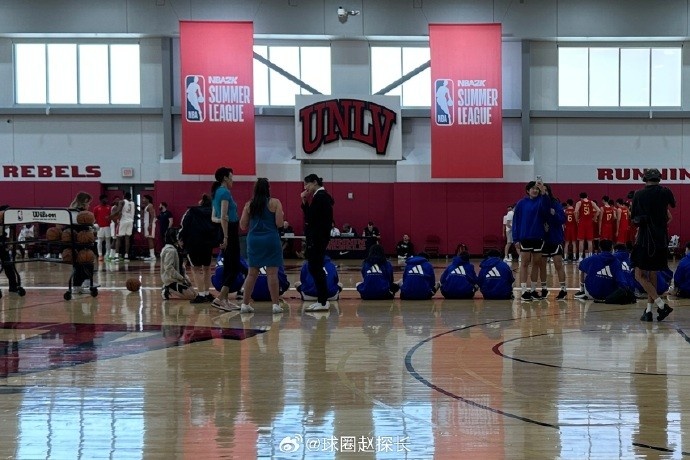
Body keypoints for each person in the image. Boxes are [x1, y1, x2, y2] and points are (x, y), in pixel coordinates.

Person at [631, 168, 676, 322]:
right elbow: (672, 207)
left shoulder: (638, 194)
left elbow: (634, 218)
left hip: (645, 240)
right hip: (661, 240)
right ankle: (649, 311)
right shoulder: (665, 192)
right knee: (653, 273)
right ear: (659, 178)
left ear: (645, 179)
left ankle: (661, 305)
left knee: (639, 275)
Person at [238, 177, 285, 314]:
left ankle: (245, 304)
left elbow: (243, 225)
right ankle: (275, 305)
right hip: (271, 239)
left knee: (251, 273)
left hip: (254, 240)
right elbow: (279, 224)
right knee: (272, 273)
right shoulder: (275, 202)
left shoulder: (249, 204)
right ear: (268, 188)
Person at [300, 173, 335, 311]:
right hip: (318, 237)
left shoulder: (320, 197)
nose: (305, 187)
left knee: (315, 267)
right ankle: (321, 300)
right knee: (315, 267)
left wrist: (304, 201)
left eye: (307, 184)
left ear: (314, 182)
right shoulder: (321, 196)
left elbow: (310, 218)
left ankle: (323, 301)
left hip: (318, 238)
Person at [512, 179, 550, 301]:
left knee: (536, 263)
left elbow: (547, 209)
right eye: (533, 188)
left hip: (538, 237)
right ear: (528, 190)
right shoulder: (521, 203)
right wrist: (516, 239)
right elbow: (516, 222)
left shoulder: (541, 201)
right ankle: (524, 291)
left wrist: (543, 192)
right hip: (525, 237)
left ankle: (533, 290)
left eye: (537, 189)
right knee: (524, 263)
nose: (535, 190)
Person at [211, 167, 243, 311]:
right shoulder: (224, 192)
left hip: (226, 229)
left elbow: (215, 217)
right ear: (225, 178)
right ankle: (219, 299)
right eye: (231, 176)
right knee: (234, 266)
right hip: (229, 231)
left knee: (229, 266)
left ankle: (225, 300)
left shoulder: (216, 192)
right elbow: (224, 216)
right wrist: (226, 236)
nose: (232, 180)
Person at [179, 193, 217, 304]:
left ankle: (201, 295)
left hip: (193, 243)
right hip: (207, 244)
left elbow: (184, 226)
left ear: (201, 202)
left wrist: (180, 238)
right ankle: (207, 293)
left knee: (196, 269)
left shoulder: (191, 211)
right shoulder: (213, 212)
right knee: (207, 268)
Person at [539, 184, 568, 300]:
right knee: (542, 265)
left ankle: (563, 289)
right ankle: (544, 288)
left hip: (555, 238)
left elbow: (563, 219)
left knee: (558, 264)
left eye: (545, 190)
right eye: (542, 190)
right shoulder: (538, 203)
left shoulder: (555, 203)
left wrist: (554, 214)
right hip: (542, 238)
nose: (543, 192)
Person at [160, 228, 197, 301]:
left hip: (178, 278)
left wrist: (186, 279)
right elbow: (168, 268)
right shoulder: (170, 251)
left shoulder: (176, 249)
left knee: (194, 294)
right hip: (171, 280)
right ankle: (167, 288)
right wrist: (181, 278)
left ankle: (173, 288)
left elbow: (181, 268)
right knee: (191, 296)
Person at [574, 192, 600, 261]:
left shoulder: (579, 203)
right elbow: (598, 210)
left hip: (582, 223)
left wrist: (577, 220)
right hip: (589, 223)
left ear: (580, 197)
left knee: (581, 241)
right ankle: (590, 256)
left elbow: (575, 211)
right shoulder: (591, 202)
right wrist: (594, 218)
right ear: (587, 196)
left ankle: (580, 257)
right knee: (589, 241)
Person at [115, 192, 135, 260]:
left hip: (123, 221)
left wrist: (112, 216)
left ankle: (116, 255)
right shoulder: (132, 203)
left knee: (118, 238)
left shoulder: (122, 201)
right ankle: (126, 255)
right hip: (130, 221)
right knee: (127, 238)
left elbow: (119, 211)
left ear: (124, 196)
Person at [92, 194, 112, 262]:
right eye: (105, 199)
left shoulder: (109, 207)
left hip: (108, 226)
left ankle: (107, 254)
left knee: (108, 241)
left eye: (107, 199)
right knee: (99, 241)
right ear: (101, 200)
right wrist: (94, 227)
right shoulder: (96, 208)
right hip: (100, 227)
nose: (106, 200)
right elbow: (94, 218)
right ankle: (100, 255)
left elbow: (111, 216)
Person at [141, 194, 156, 261]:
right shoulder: (147, 206)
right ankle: (151, 255)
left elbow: (152, 216)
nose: (143, 200)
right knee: (149, 239)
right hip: (147, 224)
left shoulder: (150, 206)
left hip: (150, 224)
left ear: (148, 199)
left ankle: (152, 256)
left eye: (144, 198)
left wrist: (150, 224)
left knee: (150, 239)